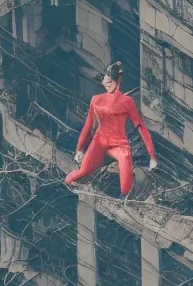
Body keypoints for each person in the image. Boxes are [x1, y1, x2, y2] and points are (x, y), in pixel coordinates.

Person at [65, 61, 157, 196]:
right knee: (76, 176)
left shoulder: (127, 102)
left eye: (111, 81)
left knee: (126, 189)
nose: (107, 83)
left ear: (117, 81)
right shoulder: (96, 100)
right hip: (99, 142)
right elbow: (88, 125)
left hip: (119, 145)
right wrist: (79, 150)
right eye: (106, 80)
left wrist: (153, 157)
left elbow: (141, 128)